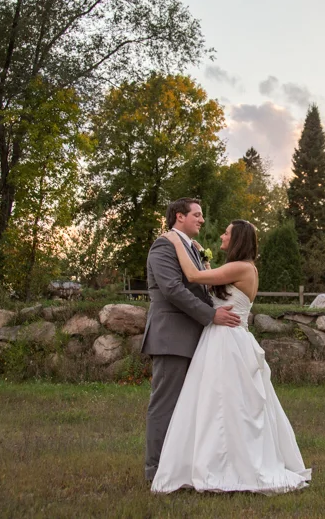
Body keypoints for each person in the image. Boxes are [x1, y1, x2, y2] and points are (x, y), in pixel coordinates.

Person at [151, 219, 312, 495]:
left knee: (228, 404)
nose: (222, 236)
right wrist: (204, 258)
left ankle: (230, 466)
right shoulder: (236, 268)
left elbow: (192, 276)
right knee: (215, 404)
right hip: (219, 340)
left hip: (228, 343)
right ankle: (213, 461)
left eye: (226, 233)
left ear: (237, 239)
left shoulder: (242, 267)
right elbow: (217, 287)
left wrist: (177, 241)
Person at [142, 198, 241, 484]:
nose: (201, 220)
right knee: (165, 404)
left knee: (188, 407)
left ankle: (180, 466)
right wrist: (211, 315)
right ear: (179, 216)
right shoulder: (164, 245)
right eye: (196, 215)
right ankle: (156, 471)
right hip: (171, 337)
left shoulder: (192, 248)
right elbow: (172, 289)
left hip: (191, 337)